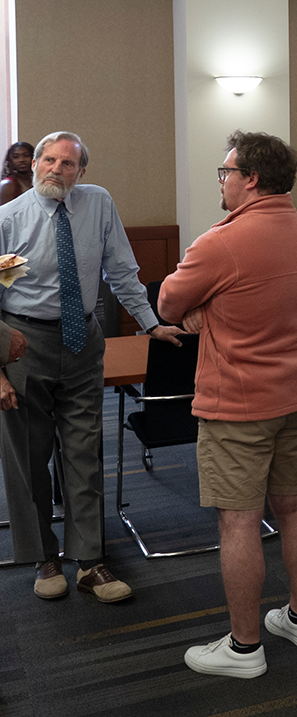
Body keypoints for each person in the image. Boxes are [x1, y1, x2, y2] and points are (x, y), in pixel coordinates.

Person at [158, 131, 297, 679]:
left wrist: (201, 311)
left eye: (226, 172)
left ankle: (244, 648)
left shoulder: (220, 242)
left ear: (251, 178)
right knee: (295, 506)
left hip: (240, 407)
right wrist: (207, 308)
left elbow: (167, 302)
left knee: (239, 524)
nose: (223, 181)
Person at [0, 131, 183, 602]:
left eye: (68, 164)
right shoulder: (7, 218)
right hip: (23, 342)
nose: (56, 170)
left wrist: (149, 324)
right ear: (35, 163)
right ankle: (45, 557)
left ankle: (90, 561)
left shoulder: (97, 203)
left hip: (83, 340)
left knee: (85, 451)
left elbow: (121, 268)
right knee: (29, 455)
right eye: (49, 160)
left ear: (82, 172)